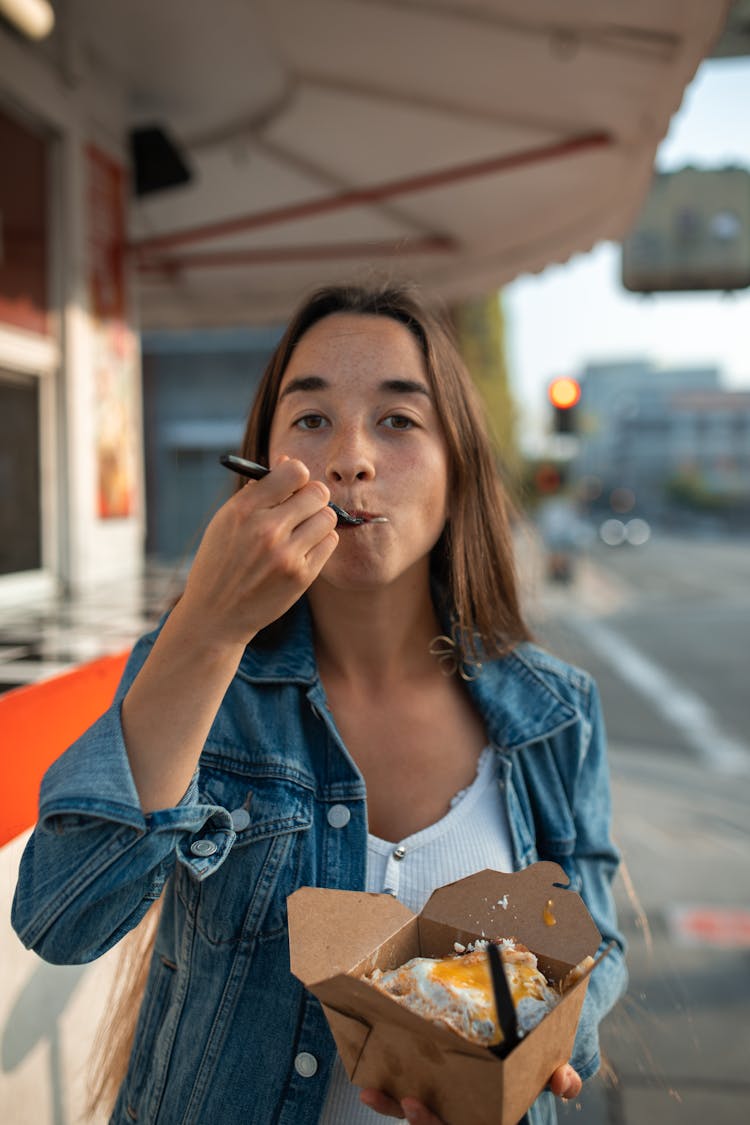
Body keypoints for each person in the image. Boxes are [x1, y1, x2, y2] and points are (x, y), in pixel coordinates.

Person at [12, 282, 627, 1125]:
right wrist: (208, 624)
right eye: (310, 420)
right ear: (261, 466)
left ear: (459, 467)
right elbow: (61, 914)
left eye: (398, 420)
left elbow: (597, 936)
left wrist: (550, 1032)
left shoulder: (555, 710)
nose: (351, 458)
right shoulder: (202, 668)